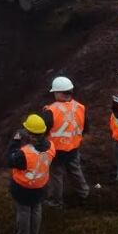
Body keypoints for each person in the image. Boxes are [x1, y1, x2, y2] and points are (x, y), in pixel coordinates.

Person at [40, 76, 89, 208]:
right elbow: (85, 128)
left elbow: (42, 131)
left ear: (59, 93)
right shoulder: (80, 108)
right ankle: (84, 192)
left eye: (55, 92)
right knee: (75, 170)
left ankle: (56, 202)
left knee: (56, 176)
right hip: (73, 148)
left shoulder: (51, 111)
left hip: (56, 151)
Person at [7, 114, 56, 234]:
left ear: (30, 134)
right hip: (41, 186)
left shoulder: (25, 153)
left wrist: (15, 142)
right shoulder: (51, 146)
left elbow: (10, 160)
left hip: (23, 188)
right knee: (36, 209)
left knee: (24, 211)